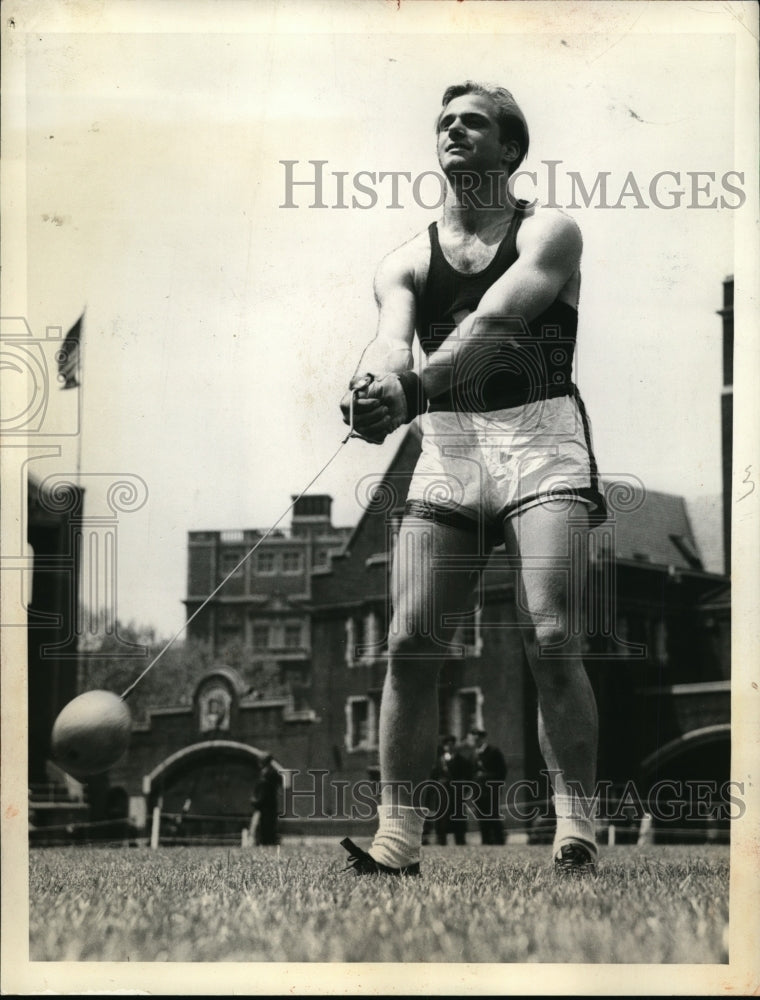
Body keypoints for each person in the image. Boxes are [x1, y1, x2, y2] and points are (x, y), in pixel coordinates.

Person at [340, 81, 604, 878]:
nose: (454, 129)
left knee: (551, 634)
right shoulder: (403, 259)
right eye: (444, 121)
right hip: (452, 446)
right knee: (411, 640)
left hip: (538, 437)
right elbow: (391, 342)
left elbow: (493, 324)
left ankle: (577, 826)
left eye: (474, 121)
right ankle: (397, 840)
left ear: (511, 149)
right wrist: (372, 390)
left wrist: (413, 389)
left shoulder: (550, 230)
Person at [431, 735, 474, 845]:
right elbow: (433, 778)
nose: (449, 747)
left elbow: (470, 777)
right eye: (447, 745)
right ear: (444, 746)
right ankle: (441, 840)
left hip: (456, 794)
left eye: (451, 744)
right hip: (442, 794)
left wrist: (464, 791)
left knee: (458, 817)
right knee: (441, 818)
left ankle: (460, 840)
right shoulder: (438, 762)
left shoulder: (461, 761)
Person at [467, 728, 507, 845]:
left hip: (491, 790)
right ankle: (486, 841)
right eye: (473, 738)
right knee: (481, 816)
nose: (475, 740)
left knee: (493, 815)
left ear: (482, 738)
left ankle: (499, 841)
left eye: (477, 738)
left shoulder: (493, 751)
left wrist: (486, 777)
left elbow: (502, 772)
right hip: (478, 791)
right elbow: (471, 774)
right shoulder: (473, 755)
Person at [250, 754, 282, 846]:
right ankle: (266, 842)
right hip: (267, 805)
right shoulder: (270, 773)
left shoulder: (268, 774)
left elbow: (264, 791)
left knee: (266, 826)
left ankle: (266, 843)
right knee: (266, 826)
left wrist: (256, 801)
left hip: (265, 805)